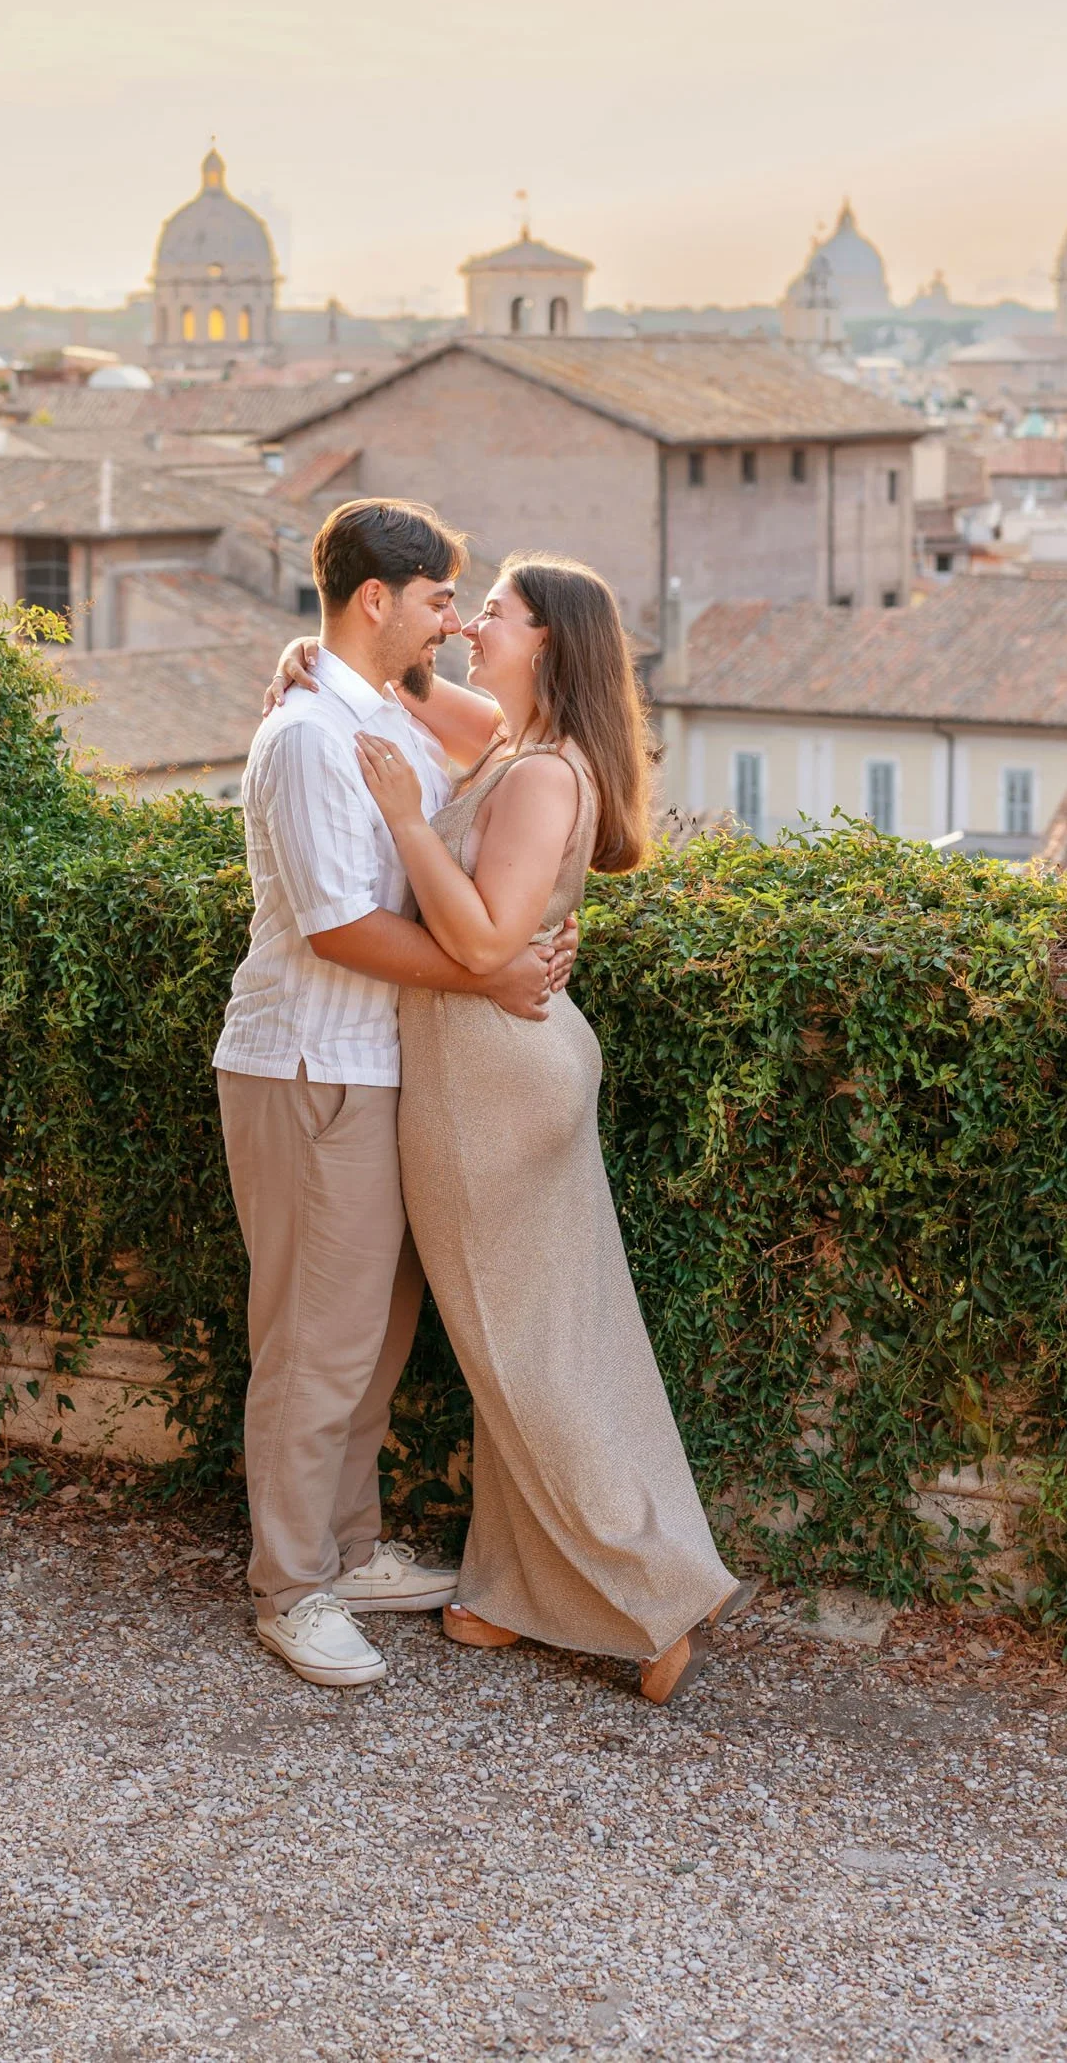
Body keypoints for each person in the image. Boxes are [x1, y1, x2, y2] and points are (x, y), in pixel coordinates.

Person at [277, 551, 752, 1705]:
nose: (473, 623)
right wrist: (319, 656)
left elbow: (489, 942)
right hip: (486, 1067)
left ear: (547, 640)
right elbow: (397, 688)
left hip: (489, 1079)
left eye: (494, 612)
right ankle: (503, 1592)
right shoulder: (511, 735)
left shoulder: (542, 774)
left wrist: (402, 816)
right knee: (514, 1348)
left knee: (526, 1352)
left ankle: (658, 1597)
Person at [213, 499, 575, 1691]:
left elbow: (504, 748)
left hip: (382, 1074)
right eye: (436, 600)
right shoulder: (314, 738)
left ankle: (348, 1549)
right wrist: (492, 971)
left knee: (372, 1335)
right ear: (378, 599)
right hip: (312, 1067)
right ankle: (289, 1588)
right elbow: (339, 928)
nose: (453, 619)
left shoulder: (382, 720)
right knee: (314, 1345)